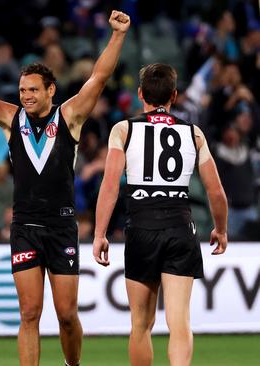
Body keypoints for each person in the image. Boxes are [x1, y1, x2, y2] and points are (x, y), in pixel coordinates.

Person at [0, 10, 130, 366]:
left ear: (51, 89)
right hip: (25, 227)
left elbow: (98, 77)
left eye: (33, 90)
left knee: (66, 315)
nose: (26, 96)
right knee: (29, 313)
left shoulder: (70, 116)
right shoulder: (10, 118)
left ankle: (72, 364)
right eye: (22, 90)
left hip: (62, 226)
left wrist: (118, 35)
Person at [92, 63, 228, 366]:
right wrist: (220, 229)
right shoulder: (194, 134)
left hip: (142, 226)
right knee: (180, 324)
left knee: (141, 325)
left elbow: (110, 185)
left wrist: (100, 233)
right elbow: (216, 191)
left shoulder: (123, 130)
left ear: (140, 93)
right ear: (175, 96)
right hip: (180, 226)